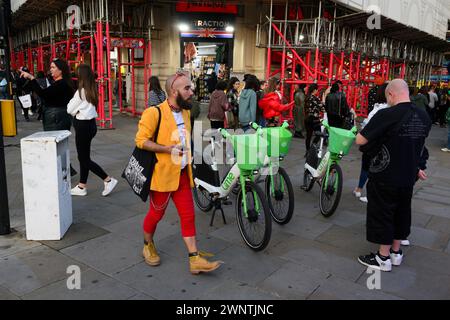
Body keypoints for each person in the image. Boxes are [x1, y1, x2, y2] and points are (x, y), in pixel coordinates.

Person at [135, 72, 222, 274]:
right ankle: (147, 245)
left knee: (188, 216)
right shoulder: (153, 113)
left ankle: (194, 258)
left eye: (191, 88)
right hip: (162, 176)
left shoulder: (185, 112)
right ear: (174, 91)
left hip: (183, 174)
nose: (191, 92)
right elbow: (140, 140)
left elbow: (186, 141)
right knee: (156, 214)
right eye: (187, 89)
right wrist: (166, 149)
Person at [356, 79, 431, 272]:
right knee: (402, 212)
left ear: (391, 94)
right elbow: (418, 146)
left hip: (385, 174)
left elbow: (361, 139)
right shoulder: (423, 116)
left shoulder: (386, 114)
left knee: (383, 212)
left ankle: (382, 257)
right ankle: (396, 253)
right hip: (408, 176)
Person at [20, 58, 78, 177]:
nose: (50, 70)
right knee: (59, 145)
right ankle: (66, 169)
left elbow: (43, 94)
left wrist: (32, 78)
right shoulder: (62, 83)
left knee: (55, 144)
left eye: (53, 67)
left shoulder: (61, 84)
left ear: (60, 70)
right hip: (58, 115)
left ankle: (64, 170)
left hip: (56, 116)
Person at [67, 65, 118, 197]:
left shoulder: (80, 92)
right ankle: (81, 186)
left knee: (83, 159)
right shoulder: (92, 89)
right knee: (84, 157)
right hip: (90, 126)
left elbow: (69, 109)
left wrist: (76, 110)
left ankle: (108, 180)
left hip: (83, 126)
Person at [353, 83, 389, 203]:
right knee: (373, 167)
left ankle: (362, 190)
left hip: (372, 142)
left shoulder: (378, 108)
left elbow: (369, 124)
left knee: (368, 167)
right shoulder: (388, 108)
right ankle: (361, 190)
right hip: (380, 142)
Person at [304, 83, 325, 151]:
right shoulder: (315, 98)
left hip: (307, 118)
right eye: (317, 90)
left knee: (308, 136)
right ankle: (312, 148)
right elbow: (322, 108)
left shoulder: (306, 97)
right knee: (318, 134)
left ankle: (307, 150)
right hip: (314, 119)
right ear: (315, 90)